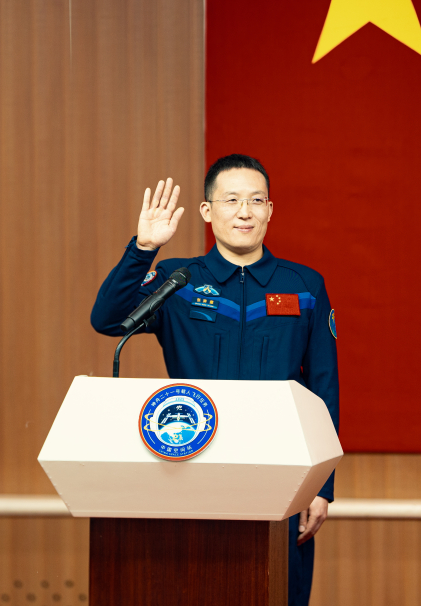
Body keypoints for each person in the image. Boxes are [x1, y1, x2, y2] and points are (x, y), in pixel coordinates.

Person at [91, 153, 339, 606]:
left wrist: (320, 487)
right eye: (231, 200)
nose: (245, 212)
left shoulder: (305, 286)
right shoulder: (179, 281)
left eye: (256, 200)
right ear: (207, 211)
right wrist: (142, 249)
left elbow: (324, 389)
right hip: (189, 468)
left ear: (270, 210)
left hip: (281, 475)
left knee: (277, 591)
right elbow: (107, 320)